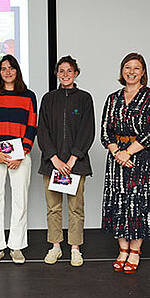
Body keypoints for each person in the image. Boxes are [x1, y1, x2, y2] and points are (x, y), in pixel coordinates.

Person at [100, 52, 150, 274]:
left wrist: (128, 153)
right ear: (122, 71)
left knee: (140, 204)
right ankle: (122, 249)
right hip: (117, 158)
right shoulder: (112, 98)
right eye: (127, 67)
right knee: (119, 202)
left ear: (143, 72)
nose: (131, 72)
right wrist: (118, 152)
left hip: (142, 159)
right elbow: (105, 131)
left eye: (136, 68)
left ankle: (135, 251)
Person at [37, 56, 95, 266]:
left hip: (75, 165)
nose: (65, 75)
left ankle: (75, 248)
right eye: (61, 71)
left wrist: (71, 160)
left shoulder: (85, 99)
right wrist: (54, 158)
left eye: (69, 71)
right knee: (53, 208)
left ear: (76, 73)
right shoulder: (48, 98)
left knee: (76, 208)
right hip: (51, 164)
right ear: (56, 74)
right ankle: (55, 246)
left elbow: (87, 131)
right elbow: (42, 131)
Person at [0, 54, 37, 264]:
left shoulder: (29, 96)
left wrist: (22, 153)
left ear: (17, 71)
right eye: (3, 68)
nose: (7, 72)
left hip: (20, 156)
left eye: (11, 68)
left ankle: (16, 246)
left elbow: (32, 126)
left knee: (19, 201)